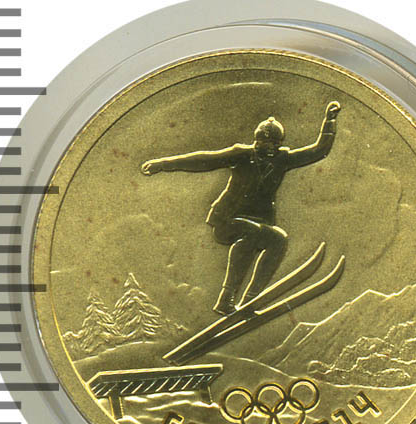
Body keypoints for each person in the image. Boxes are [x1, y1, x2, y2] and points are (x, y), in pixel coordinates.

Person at [141, 101, 341, 315]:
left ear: (278, 144)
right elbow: (204, 160)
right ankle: (227, 298)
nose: (267, 147)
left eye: (273, 144)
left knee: (278, 240)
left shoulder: (283, 160)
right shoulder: (242, 155)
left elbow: (318, 151)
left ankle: (249, 300)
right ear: (256, 141)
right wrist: (164, 164)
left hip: (257, 225)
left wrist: (329, 121)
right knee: (251, 232)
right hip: (227, 221)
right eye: (263, 142)